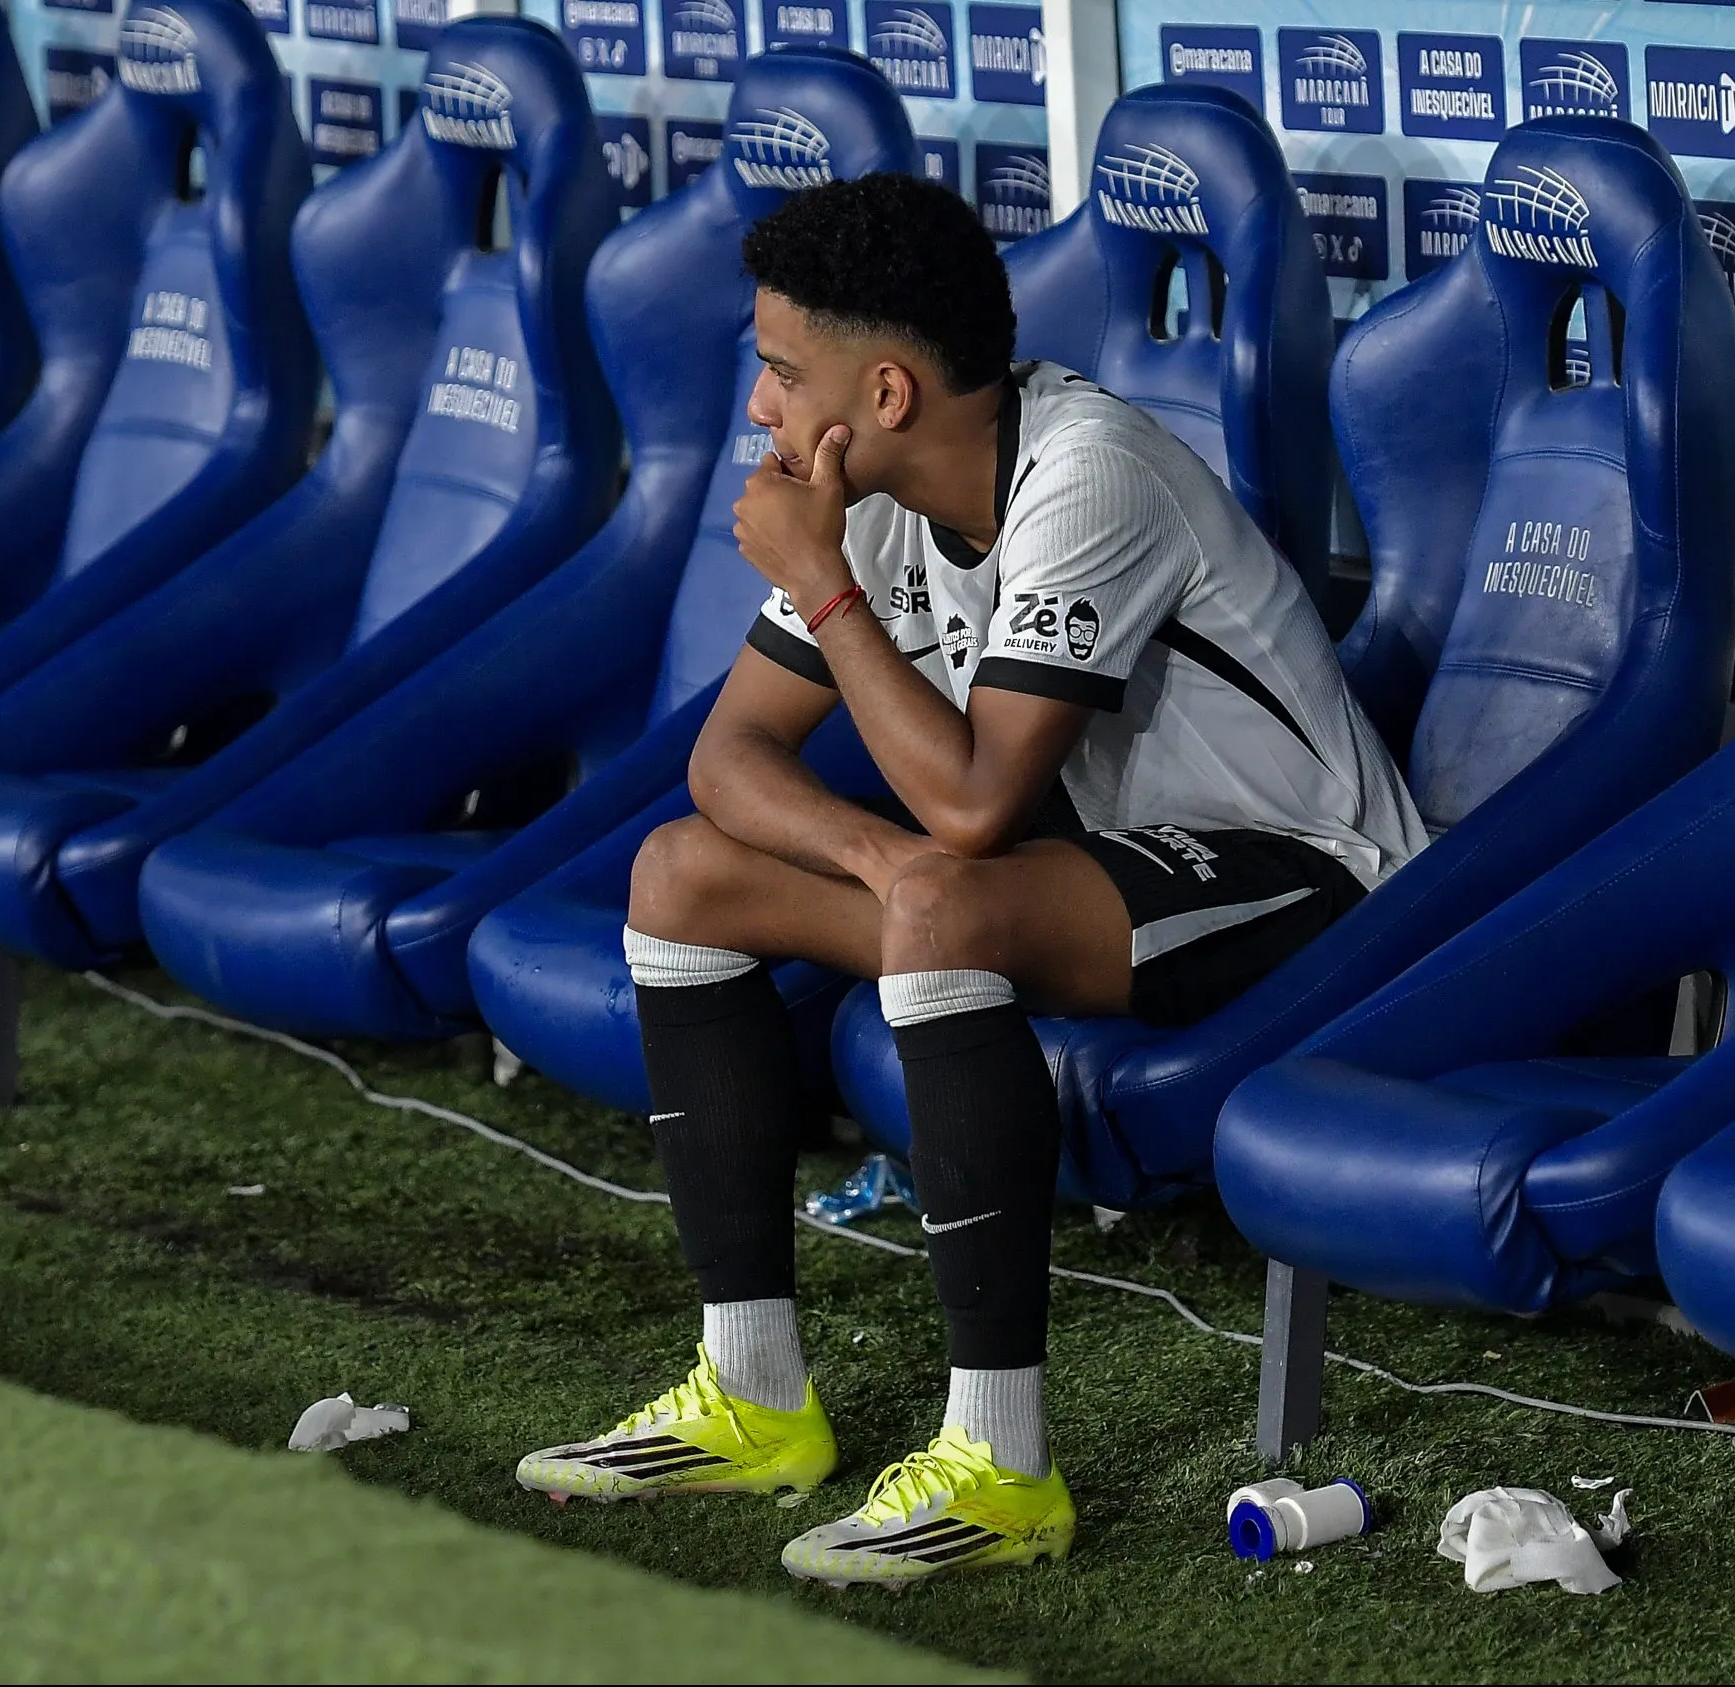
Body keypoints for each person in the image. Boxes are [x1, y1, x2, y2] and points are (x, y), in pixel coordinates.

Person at [513, 173, 1428, 1586]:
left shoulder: (1088, 473)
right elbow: (730, 762)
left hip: (1312, 878)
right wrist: (884, 859)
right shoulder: (870, 497)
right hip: (1090, 875)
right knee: (682, 875)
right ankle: (752, 1389)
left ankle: (1002, 1464)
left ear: (883, 391)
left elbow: (976, 801)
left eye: (776, 372)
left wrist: (825, 592)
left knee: (941, 891)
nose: (760, 409)